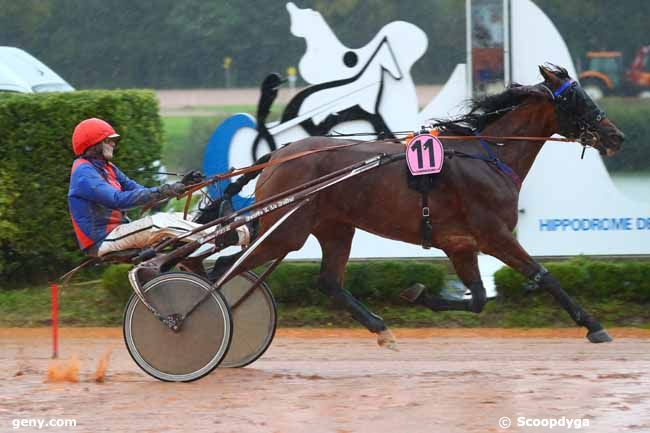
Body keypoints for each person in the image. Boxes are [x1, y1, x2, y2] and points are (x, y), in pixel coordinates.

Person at [67, 118, 249, 257]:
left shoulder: (107, 167)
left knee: (178, 217)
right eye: (108, 140)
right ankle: (230, 235)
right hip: (102, 240)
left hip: (117, 232)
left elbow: (139, 191)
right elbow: (118, 200)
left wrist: (181, 186)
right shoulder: (83, 172)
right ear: (93, 144)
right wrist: (165, 191)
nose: (113, 143)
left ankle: (224, 229)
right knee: (157, 223)